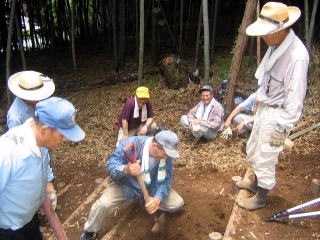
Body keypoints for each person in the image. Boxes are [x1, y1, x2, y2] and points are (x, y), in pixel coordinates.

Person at [235, 2, 309, 211]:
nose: (264, 37)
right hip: (266, 108)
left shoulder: (297, 56)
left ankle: (261, 198)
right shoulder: (276, 44)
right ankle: (255, 183)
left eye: (267, 33)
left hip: (278, 114)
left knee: (267, 155)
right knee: (254, 148)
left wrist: (282, 127)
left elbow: (295, 96)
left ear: (281, 29)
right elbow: (266, 78)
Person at [0, 97, 85, 240]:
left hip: (28, 220)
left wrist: (46, 191)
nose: (66, 140)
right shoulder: (7, 153)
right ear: (44, 131)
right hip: (7, 230)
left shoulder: (41, 145)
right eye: (62, 135)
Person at [80, 130, 184, 240]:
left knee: (177, 203)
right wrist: (126, 169)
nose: (166, 158)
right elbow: (110, 166)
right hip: (126, 185)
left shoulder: (165, 156)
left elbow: (166, 180)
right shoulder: (131, 144)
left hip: (150, 187)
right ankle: (89, 233)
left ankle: (145, 200)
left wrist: (157, 198)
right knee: (103, 204)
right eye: (165, 154)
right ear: (154, 146)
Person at [6, 70, 58, 210]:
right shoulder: (16, 116)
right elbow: (22, 152)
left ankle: (47, 198)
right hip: (29, 157)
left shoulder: (37, 105)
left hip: (43, 147)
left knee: (47, 168)